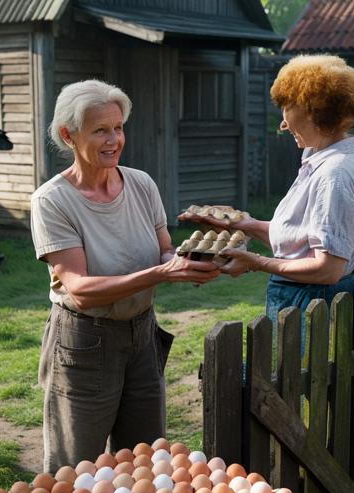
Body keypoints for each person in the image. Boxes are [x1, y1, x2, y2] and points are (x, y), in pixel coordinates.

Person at [30, 80, 219, 470]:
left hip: (142, 335)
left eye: (118, 128)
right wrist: (162, 273)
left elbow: (165, 246)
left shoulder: (141, 184)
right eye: (100, 130)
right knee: (73, 470)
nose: (114, 139)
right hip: (84, 340)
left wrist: (187, 261)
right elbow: (80, 290)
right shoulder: (52, 201)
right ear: (68, 135)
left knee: (146, 464)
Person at [180, 54, 354, 322]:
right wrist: (246, 224)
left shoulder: (334, 174)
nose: (284, 124)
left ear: (315, 111)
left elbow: (327, 269)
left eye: (288, 106)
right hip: (312, 296)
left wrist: (255, 262)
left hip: (312, 304)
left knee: (299, 366)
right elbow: (301, 239)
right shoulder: (329, 158)